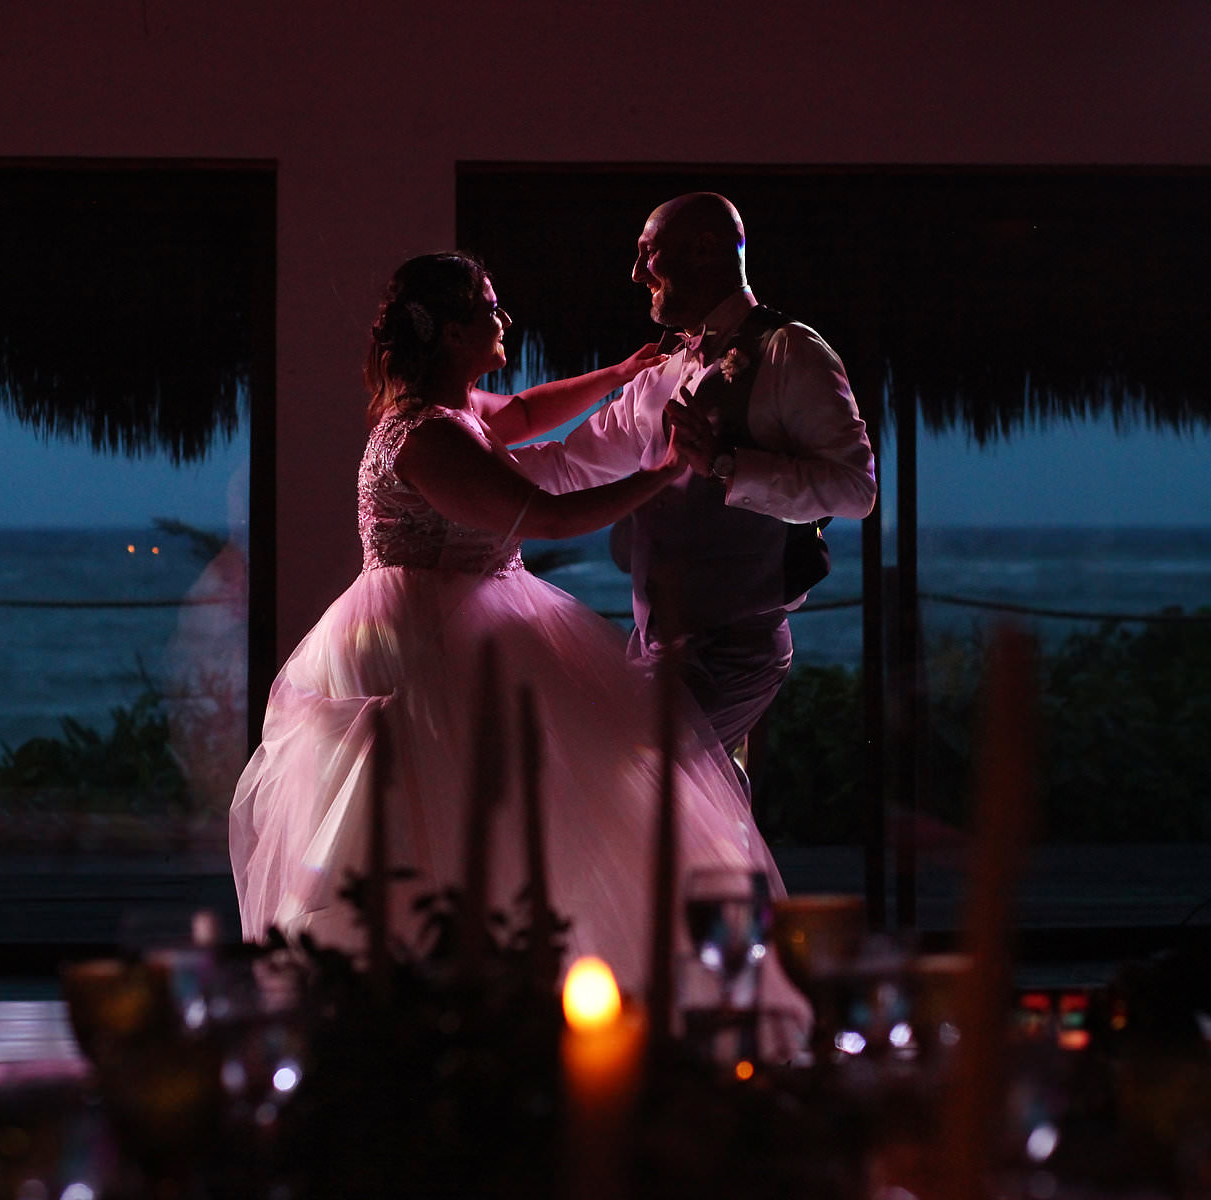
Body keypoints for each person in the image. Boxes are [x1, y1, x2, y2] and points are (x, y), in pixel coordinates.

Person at [229, 252, 796, 1003]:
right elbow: (553, 516)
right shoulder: (430, 437)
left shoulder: (454, 409)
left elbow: (527, 411)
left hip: (472, 619)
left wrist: (619, 377)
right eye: (490, 311)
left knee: (518, 817)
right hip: (432, 646)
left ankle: (511, 993)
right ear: (455, 332)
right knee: (449, 821)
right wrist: (660, 472)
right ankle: (454, 1000)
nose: (504, 321)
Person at [511, 192, 877, 768]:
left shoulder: (791, 353)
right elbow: (569, 466)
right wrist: (467, 472)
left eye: (648, 255)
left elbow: (856, 490)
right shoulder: (664, 370)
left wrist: (729, 465)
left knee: (627, 779)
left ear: (705, 250)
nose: (635, 274)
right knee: (680, 820)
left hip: (736, 649)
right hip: (654, 649)